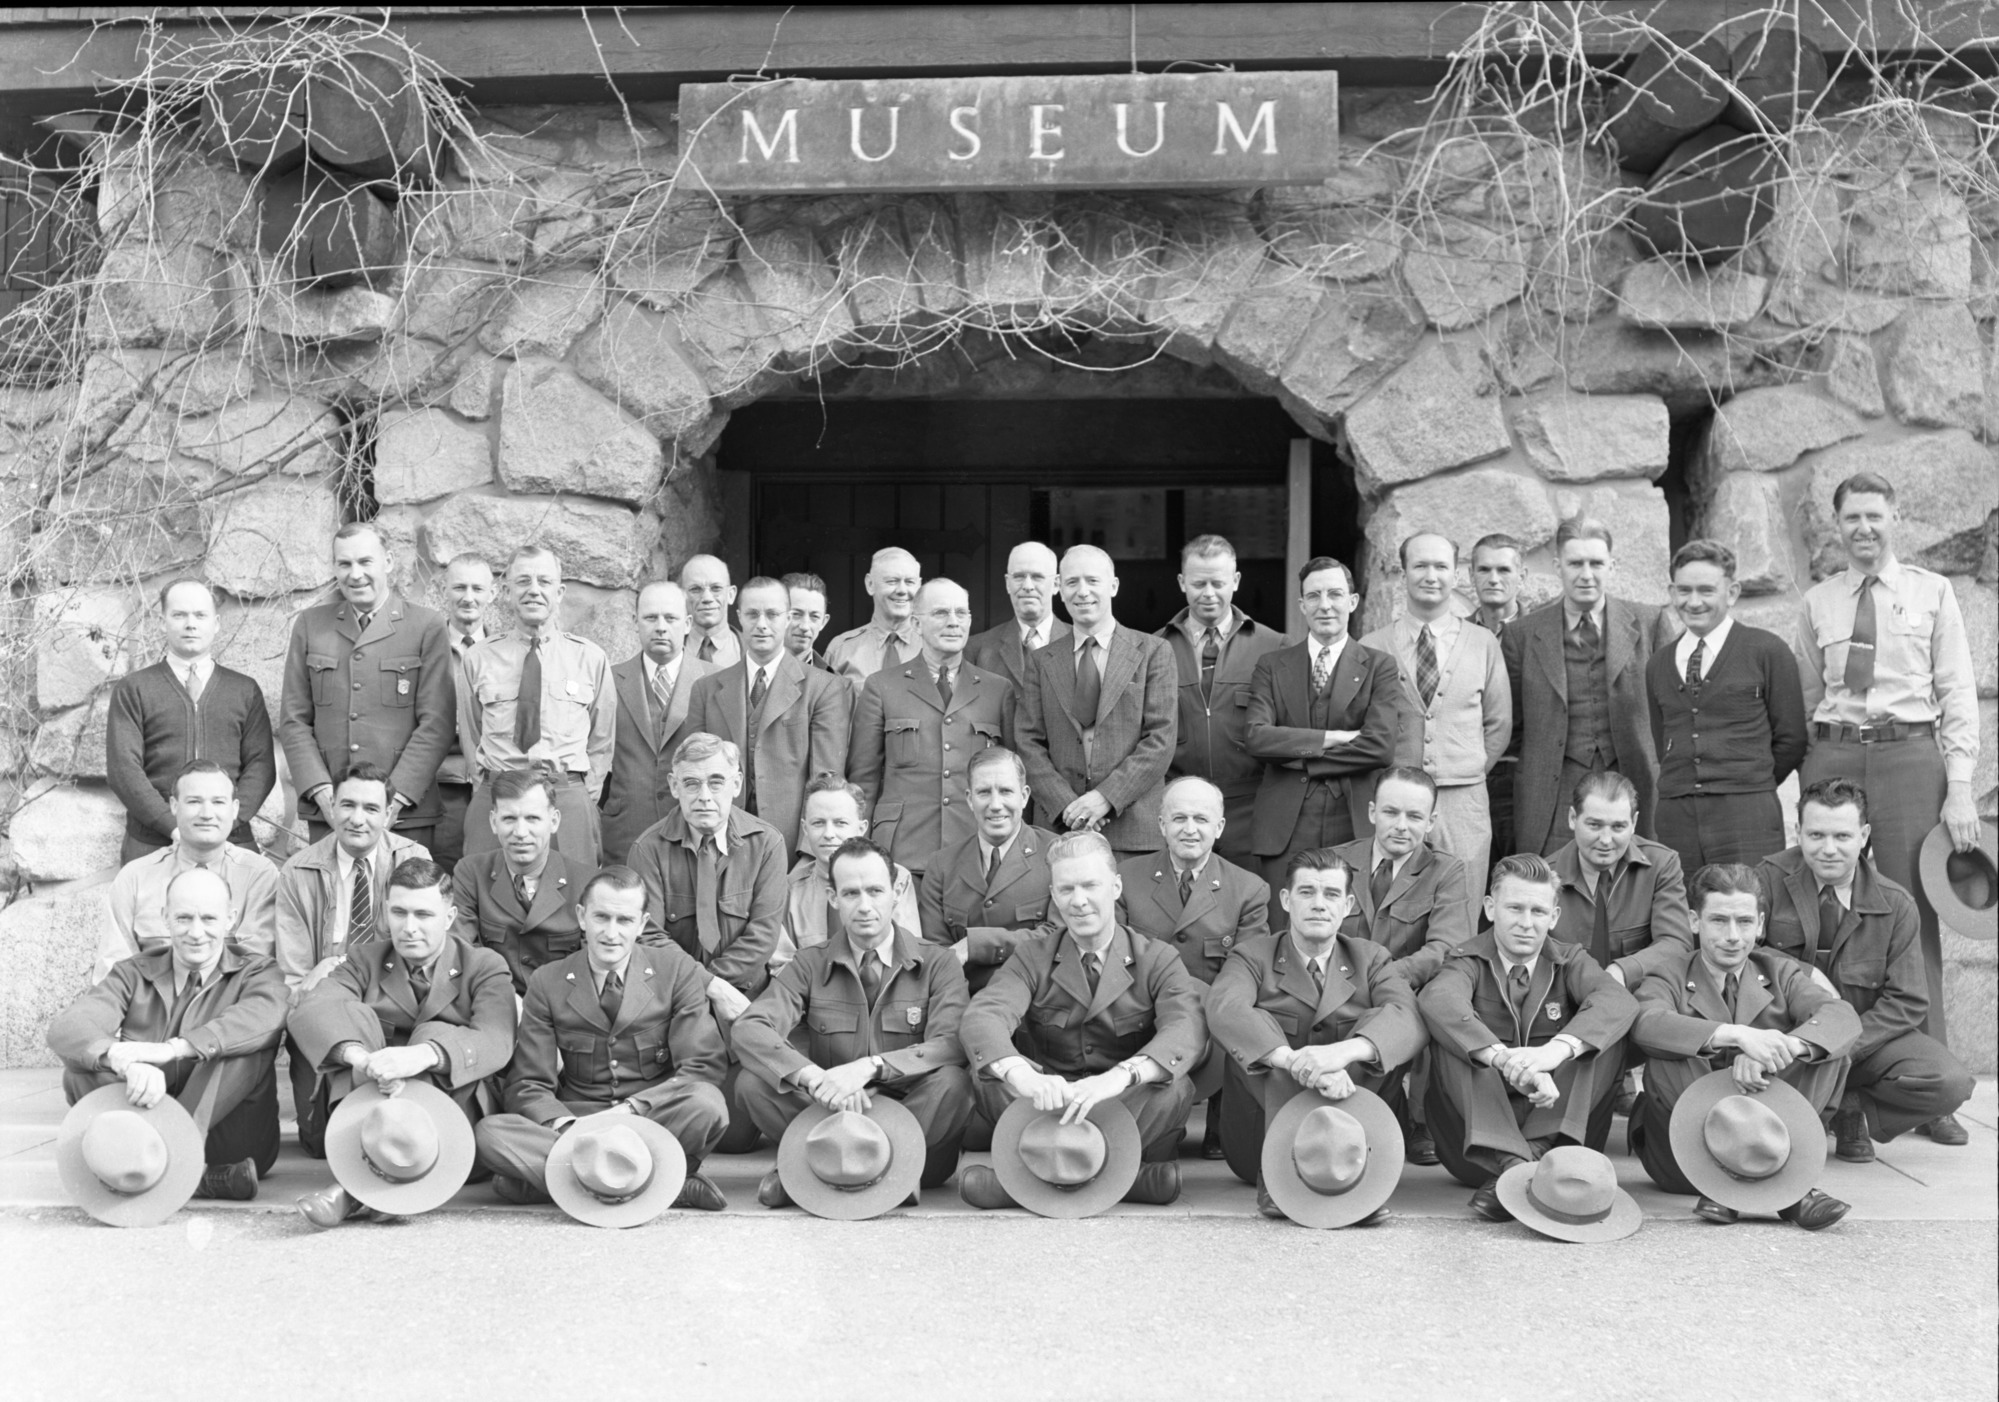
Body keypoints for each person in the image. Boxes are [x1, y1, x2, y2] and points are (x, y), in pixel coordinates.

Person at [1795, 470, 1981, 1112]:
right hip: (1835, 748)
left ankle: (1930, 1090)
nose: (1864, 529)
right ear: (1837, 524)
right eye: (1852, 518)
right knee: (1820, 901)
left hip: (1908, 755)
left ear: (1895, 517)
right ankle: (1822, 1068)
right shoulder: (1820, 600)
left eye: (1875, 516)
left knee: (1914, 913)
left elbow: (1958, 692)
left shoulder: (1932, 593)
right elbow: (1805, 695)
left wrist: (1960, 788)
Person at [956, 832, 1208, 1209]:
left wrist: (1117, 1078)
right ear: (1054, 896)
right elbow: (985, 1016)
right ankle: (1126, 1179)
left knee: (1174, 1087)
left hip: (1121, 1102)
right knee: (988, 1074)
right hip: (1046, 1102)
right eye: (1067, 888)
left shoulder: (1157, 957)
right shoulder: (1032, 955)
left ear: (1116, 886)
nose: (1079, 900)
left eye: (1091, 885)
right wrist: (1024, 1077)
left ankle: (1026, 1180)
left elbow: (1186, 1027)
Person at [472, 865, 731, 1212]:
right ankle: (661, 1181)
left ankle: (560, 1181)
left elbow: (701, 1065)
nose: (611, 933)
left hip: (651, 1116)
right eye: (601, 917)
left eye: (624, 921)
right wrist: (564, 1126)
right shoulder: (547, 982)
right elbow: (528, 1084)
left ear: (642, 924)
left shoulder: (675, 971)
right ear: (581, 917)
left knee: (707, 1103)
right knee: (491, 1132)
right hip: (578, 1124)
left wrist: (632, 1110)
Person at [734, 837, 976, 1205]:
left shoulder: (937, 962)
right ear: (833, 898)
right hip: (831, 1112)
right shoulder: (809, 963)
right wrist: (814, 1078)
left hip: (913, 1123)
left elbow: (951, 1043)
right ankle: (837, 1165)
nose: (864, 906)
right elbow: (750, 1028)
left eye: (875, 891)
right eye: (851, 894)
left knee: (954, 1083)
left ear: (896, 891)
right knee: (753, 1082)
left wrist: (872, 1068)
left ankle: (818, 1172)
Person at [1629, 863, 1858, 1230]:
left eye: (1744, 922)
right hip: (1681, 1157)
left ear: (1761, 925)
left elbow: (1841, 1017)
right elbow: (1644, 1022)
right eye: (1719, 920)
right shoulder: (1669, 973)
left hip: (1767, 1137)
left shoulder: (1779, 971)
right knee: (1669, 1053)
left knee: (1825, 1049)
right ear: (1693, 921)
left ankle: (1751, 1177)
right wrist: (1737, 1035)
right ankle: (1789, 1194)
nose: (1733, 936)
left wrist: (1780, 1050)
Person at [289, 858, 517, 1226]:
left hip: (452, 1117)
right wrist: (364, 1060)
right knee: (353, 1017)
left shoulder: (483, 965)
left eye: (424, 914)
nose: (409, 928)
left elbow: (497, 1039)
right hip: (369, 1107)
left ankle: (350, 1190)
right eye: (399, 912)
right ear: (385, 912)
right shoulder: (365, 959)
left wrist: (423, 1058)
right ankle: (389, 1181)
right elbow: (310, 1011)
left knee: (435, 1032)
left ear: (449, 916)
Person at [1758, 777, 1975, 1160]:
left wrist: (1835, 1044)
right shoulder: (1767, 880)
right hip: (1783, 1038)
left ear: (1864, 835)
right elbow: (1739, 953)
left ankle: (1851, 1107)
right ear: (1798, 832)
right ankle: (1818, 1105)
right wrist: (1801, 973)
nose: (1828, 849)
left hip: (1861, 1042)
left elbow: (1907, 1003)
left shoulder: (1896, 904)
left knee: (1948, 1083)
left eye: (1842, 836)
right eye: (1816, 835)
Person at [1418, 854, 1637, 1222]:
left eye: (1538, 912)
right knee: (1455, 1041)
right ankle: (1512, 1161)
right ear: (1490, 908)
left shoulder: (1569, 960)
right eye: (1514, 908)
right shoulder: (1467, 960)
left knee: (1600, 1039)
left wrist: (1553, 1053)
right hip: (1477, 1149)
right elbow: (1438, 999)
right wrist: (1502, 1058)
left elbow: (1618, 1000)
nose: (1525, 923)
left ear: (1553, 917)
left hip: (1562, 1142)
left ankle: (1530, 1157)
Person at [1204, 849, 1423, 1215]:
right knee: (1261, 1031)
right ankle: (1279, 1177)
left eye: (1331, 894)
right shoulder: (1252, 956)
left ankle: (1348, 1177)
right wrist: (1294, 1062)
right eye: (1307, 892)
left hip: (1356, 1136)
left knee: (1378, 1025)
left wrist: (1343, 1054)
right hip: (1260, 1140)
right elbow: (1224, 1009)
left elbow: (1409, 1017)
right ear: (1287, 900)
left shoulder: (1371, 959)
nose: (1319, 904)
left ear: (1349, 904)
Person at [49, 867, 288, 1203]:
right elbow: (70, 1026)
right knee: (81, 1065)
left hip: (228, 1141)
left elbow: (266, 1017)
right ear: (164, 918)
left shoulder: (258, 971)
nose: (196, 932)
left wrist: (176, 1049)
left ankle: (156, 1165)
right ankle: (195, 1177)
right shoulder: (133, 972)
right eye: (183, 918)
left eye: (208, 918)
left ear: (230, 920)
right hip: (145, 1120)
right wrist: (120, 1059)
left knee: (245, 1051)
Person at [625, 731, 789, 1152]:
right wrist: (709, 988)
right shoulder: (648, 848)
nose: (704, 796)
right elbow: (648, 937)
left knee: (733, 1138)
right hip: (675, 1010)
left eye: (716, 782)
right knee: (696, 1123)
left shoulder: (766, 843)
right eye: (692, 784)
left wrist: (719, 991)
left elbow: (762, 938)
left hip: (744, 1003)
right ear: (674, 786)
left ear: (736, 785)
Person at [273, 762, 431, 1153]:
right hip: (325, 1012)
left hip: (393, 1008)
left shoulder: (413, 858)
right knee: (321, 1141)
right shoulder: (298, 870)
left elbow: (425, 953)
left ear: (390, 813)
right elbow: (295, 978)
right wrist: (324, 984)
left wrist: (342, 966)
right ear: (331, 807)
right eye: (347, 805)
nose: (357, 819)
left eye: (371, 808)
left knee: (392, 1133)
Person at [1502, 517, 1678, 857]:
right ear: (1558, 566)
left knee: (1637, 883)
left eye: (1596, 563)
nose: (1586, 574)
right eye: (1575, 563)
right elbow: (1514, 725)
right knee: (1554, 885)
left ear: (1612, 565)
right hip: (1555, 790)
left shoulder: (1650, 623)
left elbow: (1671, 711)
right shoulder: (1522, 635)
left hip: (1633, 781)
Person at [1115, 775, 1269, 1157]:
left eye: (1201, 819)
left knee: (1246, 1012)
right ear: (1161, 824)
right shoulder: (1125, 878)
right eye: (1179, 818)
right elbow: (1115, 954)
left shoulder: (1248, 889)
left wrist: (1214, 1007)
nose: (1189, 829)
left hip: (1212, 1017)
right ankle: (1150, 1119)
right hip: (1141, 1009)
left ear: (1219, 827)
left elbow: (1246, 971)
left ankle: (1222, 1122)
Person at [278, 522, 453, 851]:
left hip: (404, 814)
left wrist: (393, 799)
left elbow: (437, 723)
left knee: (401, 900)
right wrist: (321, 791)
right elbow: (294, 719)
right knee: (332, 900)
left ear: (387, 562)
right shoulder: (310, 625)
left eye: (365, 562)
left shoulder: (425, 626)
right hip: (331, 811)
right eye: (344, 564)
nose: (355, 574)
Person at [1646, 539, 1808, 874]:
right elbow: (1665, 744)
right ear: (1671, 592)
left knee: (1748, 911)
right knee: (1684, 914)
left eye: (1706, 590)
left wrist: (1747, 781)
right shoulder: (1659, 663)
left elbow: (1792, 739)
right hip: (1677, 816)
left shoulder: (1767, 651)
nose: (1694, 602)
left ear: (1731, 593)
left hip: (1747, 813)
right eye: (1684, 591)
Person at [1361, 533, 1509, 898]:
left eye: (1441, 566)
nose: (1431, 575)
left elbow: (1499, 723)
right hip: (1397, 804)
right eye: (1420, 565)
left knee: (1462, 901)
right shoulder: (1372, 647)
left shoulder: (1483, 643)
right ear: (1403, 575)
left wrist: (1465, 769)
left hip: (1464, 806)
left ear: (1455, 576)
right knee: (1394, 903)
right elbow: (1364, 726)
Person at [1244, 556, 1401, 896]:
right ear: (1301, 605)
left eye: (1335, 594)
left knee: (1351, 923)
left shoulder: (1380, 667)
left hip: (1354, 819)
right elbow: (1257, 738)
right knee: (1281, 923)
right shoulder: (1271, 666)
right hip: (1284, 824)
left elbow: (1380, 747)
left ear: (1353, 601)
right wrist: (1332, 738)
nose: (1325, 605)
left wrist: (1298, 755)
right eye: (1314, 596)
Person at [1016, 544, 1178, 862]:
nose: (1083, 592)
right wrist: (1067, 806)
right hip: (1059, 830)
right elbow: (1028, 742)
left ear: (1113, 586)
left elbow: (1160, 740)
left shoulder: (1154, 652)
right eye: (1073, 582)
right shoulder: (1040, 661)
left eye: (1093, 580)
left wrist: (1105, 798)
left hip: (1134, 833)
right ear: (1060, 589)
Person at [460, 544, 615, 869]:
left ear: (558, 592)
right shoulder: (478, 658)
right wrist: (489, 785)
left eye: (544, 582)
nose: (534, 590)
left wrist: (582, 796)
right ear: (505, 591)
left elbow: (602, 740)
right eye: (523, 581)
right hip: (498, 796)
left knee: (572, 901)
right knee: (488, 900)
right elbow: (472, 734)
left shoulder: (589, 658)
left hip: (566, 797)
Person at [848, 577, 1013, 877]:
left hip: (977, 851)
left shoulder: (997, 690)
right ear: (916, 624)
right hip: (902, 853)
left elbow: (1013, 779)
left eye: (961, 613)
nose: (953, 622)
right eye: (940, 613)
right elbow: (864, 781)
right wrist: (864, 851)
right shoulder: (883, 687)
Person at [105, 578, 275, 863]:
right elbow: (124, 770)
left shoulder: (244, 690)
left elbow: (261, 766)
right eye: (179, 615)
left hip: (230, 843)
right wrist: (171, 826)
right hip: (153, 844)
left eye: (200, 615)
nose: (190, 624)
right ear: (163, 622)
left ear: (216, 623)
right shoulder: (134, 689)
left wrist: (223, 824)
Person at [688, 575, 852, 856]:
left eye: (772, 614)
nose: (762, 624)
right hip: (719, 842)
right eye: (752, 614)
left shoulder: (824, 687)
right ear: (738, 617)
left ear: (787, 618)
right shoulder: (706, 689)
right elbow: (693, 771)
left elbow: (825, 781)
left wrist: (808, 854)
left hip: (788, 844)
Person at [1156, 535, 1288, 867]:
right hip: (1180, 808)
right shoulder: (1154, 649)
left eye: (1219, 582)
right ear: (1181, 582)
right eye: (1199, 583)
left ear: (1237, 581)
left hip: (1252, 807)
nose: (1209, 593)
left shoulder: (1275, 647)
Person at [93, 760, 280, 983]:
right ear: (174, 805)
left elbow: (255, 966)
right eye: (194, 801)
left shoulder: (259, 876)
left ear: (235, 809)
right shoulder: (135, 877)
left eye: (218, 802)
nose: (206, 814)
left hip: (229, 1009)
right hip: (150, 1008)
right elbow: (112, 969)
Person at [918, 746, 1060, 994]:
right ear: (970, 799)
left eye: (1006, 791)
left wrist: (975, 945)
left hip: (1037, 1007)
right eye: (984, 792)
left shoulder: (1056, 856)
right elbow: (938, 957)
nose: (996, 805)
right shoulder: (941, 865)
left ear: (1024, 796)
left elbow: (1059, 936)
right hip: (964, 1005)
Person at [602, 580, 716, 865]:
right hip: (625, 831)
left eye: (671, 618)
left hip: (694, 830)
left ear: (688, 623)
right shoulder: (608, 680)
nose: (661, 626)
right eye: (651, 617)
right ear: (635, 622)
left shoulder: (716, 681)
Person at [1332, 767, 1473, 991]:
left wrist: (1383, 979)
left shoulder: (1446, 871)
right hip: (1334, 989)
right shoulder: (1333, 863)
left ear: (1430, 822)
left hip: (1404, 995)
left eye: (1415, 816)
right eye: (1390, 812)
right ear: (1372, 812)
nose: (1401, 826)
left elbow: (1446, 947)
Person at [1549, 770, 1693, 988]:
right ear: (1572, 819)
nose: (1606, 840)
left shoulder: (1662, 865)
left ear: (1634, 823)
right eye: (1594, 825)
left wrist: (1622, 971)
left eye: (1618, 827)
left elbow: (1677, 943)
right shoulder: (1544, 877)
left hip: (1640, 998)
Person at [451, 769, 589, 994]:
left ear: (553, 821)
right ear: (493, 822)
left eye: (532, 818)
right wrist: (505, 1001)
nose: (520, 832)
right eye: (509, 819)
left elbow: (591, 965)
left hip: (563, 1006)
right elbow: (460, 951)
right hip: (493, 1001)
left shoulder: (585, 882)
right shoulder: (471, 874)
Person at [781, 777, 922, 971]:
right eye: (818, 823)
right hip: (812, 996)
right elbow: (784, 968)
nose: (829, 833)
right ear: (805, 829)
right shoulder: (790, 889)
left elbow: (908, 956)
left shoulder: (896, 879)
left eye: (840, 823)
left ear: (862, 828)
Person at [432, 553, 498, 870]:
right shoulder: (425, 647)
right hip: (441, 784)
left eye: (477, 588)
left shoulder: (505, 651)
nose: (468, 598)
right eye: (459, 587)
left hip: (493, 783)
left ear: (492, 594)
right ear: (443, 590)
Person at [1470, 533, 1527, 860]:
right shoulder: (1454, 635)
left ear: (1522, 576)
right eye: (1484, 569)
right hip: (1468, 778)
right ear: (1470, 576)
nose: (1493, 578)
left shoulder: (1541, 634)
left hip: (1523, 777)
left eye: (1504, 570)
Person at [825, 546, 922, 690]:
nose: (902, 590)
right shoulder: (841, 649)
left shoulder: (935, 648)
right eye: (892, 581)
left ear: (919, 586)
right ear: (870, 584)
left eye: (909, 582)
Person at [680, 553, 743, 667]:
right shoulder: (665, 654)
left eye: (716, 588)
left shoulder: (754, 651)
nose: (707, 598)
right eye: (695, 589)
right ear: (681, 596)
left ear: (731, 595)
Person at [782, 571, 835, 671]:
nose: (805, 626)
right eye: (796, 614)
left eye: (814, 616)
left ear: (823, 622)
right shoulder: (749, 671)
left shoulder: (834, 682)